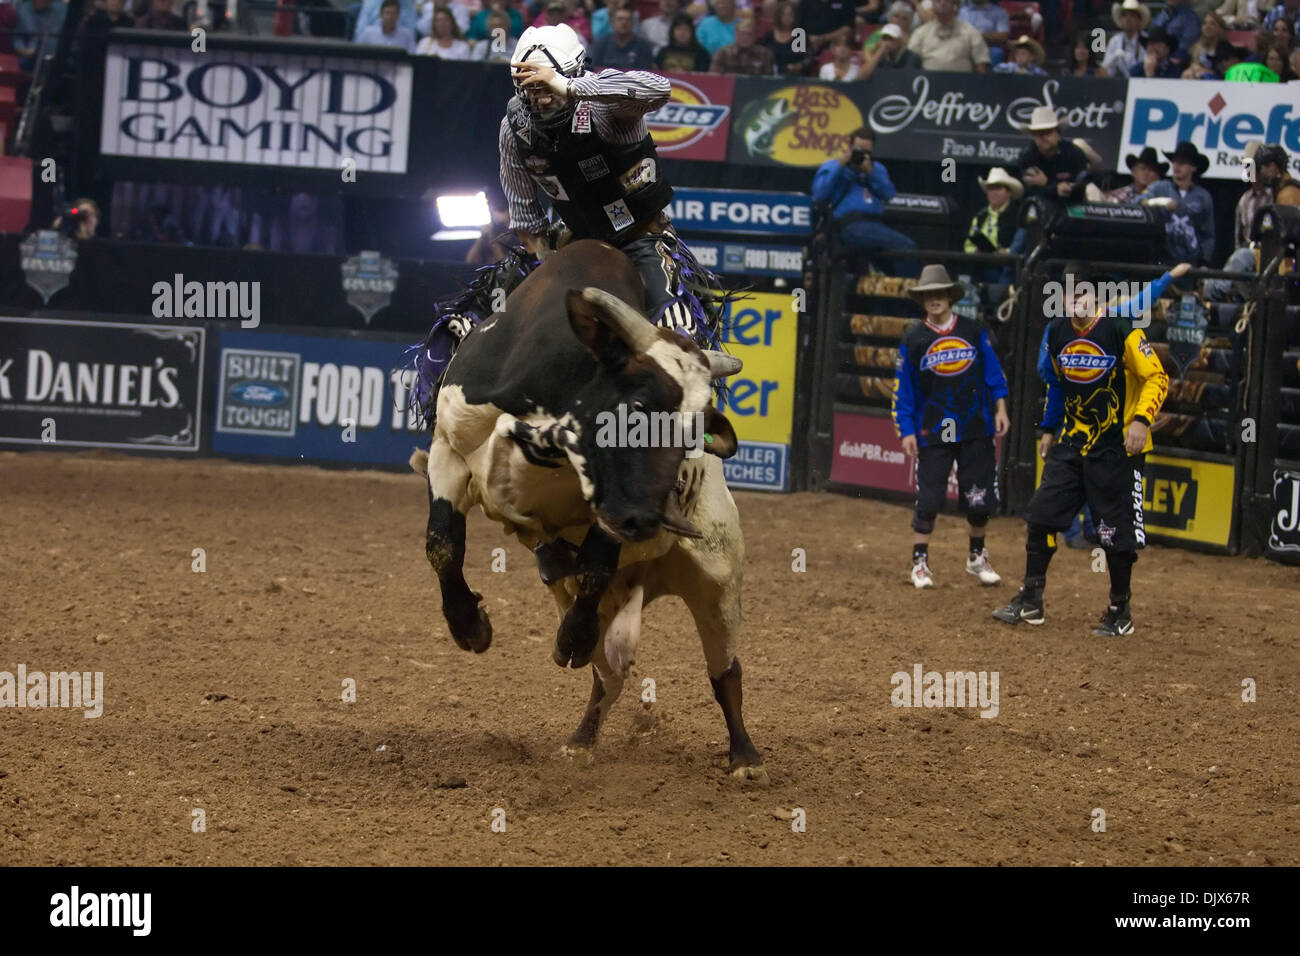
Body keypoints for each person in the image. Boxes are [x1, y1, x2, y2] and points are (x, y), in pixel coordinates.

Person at [994, 260, 1188, 636]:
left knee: (1115, 533)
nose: (1075, 300)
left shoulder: (1122, 329)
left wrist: (1141, 419)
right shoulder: (1057, 332)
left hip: (1117, 447)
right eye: (1068, 293)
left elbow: (1156, 377)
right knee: (1041, 516)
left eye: (1081, 293)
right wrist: (1048, 428)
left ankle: (1120, 610)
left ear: (1096, 298)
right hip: (1072, 441)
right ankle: (1031, 601)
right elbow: (1056, 384)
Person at [892, 263, 1010, 590]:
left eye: (940, 293)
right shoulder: (914, 339)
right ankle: (919, 563)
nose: (935, 299)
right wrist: (907, 430)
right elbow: (904, 389)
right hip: (933, 429)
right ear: (923, 300)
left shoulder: (973, 331)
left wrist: (1000, 407)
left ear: (950, 296)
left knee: (978, 499)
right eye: (929, 295)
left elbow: (994, 374)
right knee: (929, 499)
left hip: (975, 426)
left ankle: (976, 557)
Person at [812, 127, 919, 277]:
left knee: (894, 267)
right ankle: (913, 296)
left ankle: (898, 298)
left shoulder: (876, 169)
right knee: (907, 246)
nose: (862, 155)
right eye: (858, 150)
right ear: (849, 146)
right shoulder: (833, 166)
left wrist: (870, 171)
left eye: (867, 152)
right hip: (851, 225)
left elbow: (888, 194)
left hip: (877, 225)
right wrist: (841, 165)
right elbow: (819, 194)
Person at [1146, 140, 1216, 266]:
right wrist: (1161, 201)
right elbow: (1139, 203)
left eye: (1182, 163)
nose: (1177, 167)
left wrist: (1204, 262)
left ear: (1193, 167)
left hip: (1189, 262)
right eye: (1175, 162)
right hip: (1160, 260)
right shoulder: (1159, 188)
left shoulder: (1203, 197)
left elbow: (1207, 234)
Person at [1013, 106, 1088, 206]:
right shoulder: (1026, 157)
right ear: (1032, 136)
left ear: (1058, 133)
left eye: (1048, 132)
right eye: (1038, 134)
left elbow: (1083, 186)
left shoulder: (1074, 153)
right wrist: (1054, 187)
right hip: (1037, 210)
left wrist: (1070, 188)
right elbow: (1028, 192)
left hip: (1071, 207)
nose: (1043, 137)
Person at [963, 166, 1025, 282]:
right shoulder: (980, 216)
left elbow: (1022, 245)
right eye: (990, 188)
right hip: (981, 266)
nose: (993, 192)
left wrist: (1005, 253)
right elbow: (968, 245)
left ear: (1008, 192)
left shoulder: (1018, 216)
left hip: (1007, 268)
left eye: (998, 188)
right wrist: (974, 251)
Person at [908, 0, 990, 72]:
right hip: (928, 84)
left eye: (947, 0)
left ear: (955, 6)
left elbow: (981, 63)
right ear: (932, 5)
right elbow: (910, 62)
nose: (942, 3)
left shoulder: (971, 32)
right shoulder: (920, 33)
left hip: (962, 85)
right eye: (938, 0)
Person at [591, 2, 655, 66]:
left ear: (633, 23)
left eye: (628, 19)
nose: (624, 22)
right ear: (613, 23)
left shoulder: (644, 46)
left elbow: (645, 73)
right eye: (620, 19)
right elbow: (594, 69)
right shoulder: (601, 43)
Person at [763, 1, 811, 74]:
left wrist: (798, 66)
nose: (787, 18)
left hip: (794, 77)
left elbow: (807, 59)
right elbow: (762, 56)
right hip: (771, 76)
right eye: (783, 14)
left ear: (795, 16)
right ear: (778, 16)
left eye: (790, 14)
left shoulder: (800, 36)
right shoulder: (769, 36)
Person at [1103, 0, 1148, 75]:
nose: (1128, 19)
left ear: (1139, 20)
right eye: (1124, 15)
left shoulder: (1146, 40)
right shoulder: (1115, 41)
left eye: (1132, 15)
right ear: (1120, 19)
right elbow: (1106, 69)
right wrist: (1114, 57)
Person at [957, 0, 1008, 66]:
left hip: (988, 48)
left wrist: (977, 36)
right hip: (965, 48)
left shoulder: (1000, 12)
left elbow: (1003, 36)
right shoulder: (962, 12)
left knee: (996, 53)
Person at [1182, 10, 1228, 75]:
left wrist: (1204, 71)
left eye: (1213, 24)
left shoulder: (1226, 50)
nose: (1207, 27)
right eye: (1204, 23)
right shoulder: (1195, 48)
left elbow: (1224, 74)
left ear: (1220, 29)